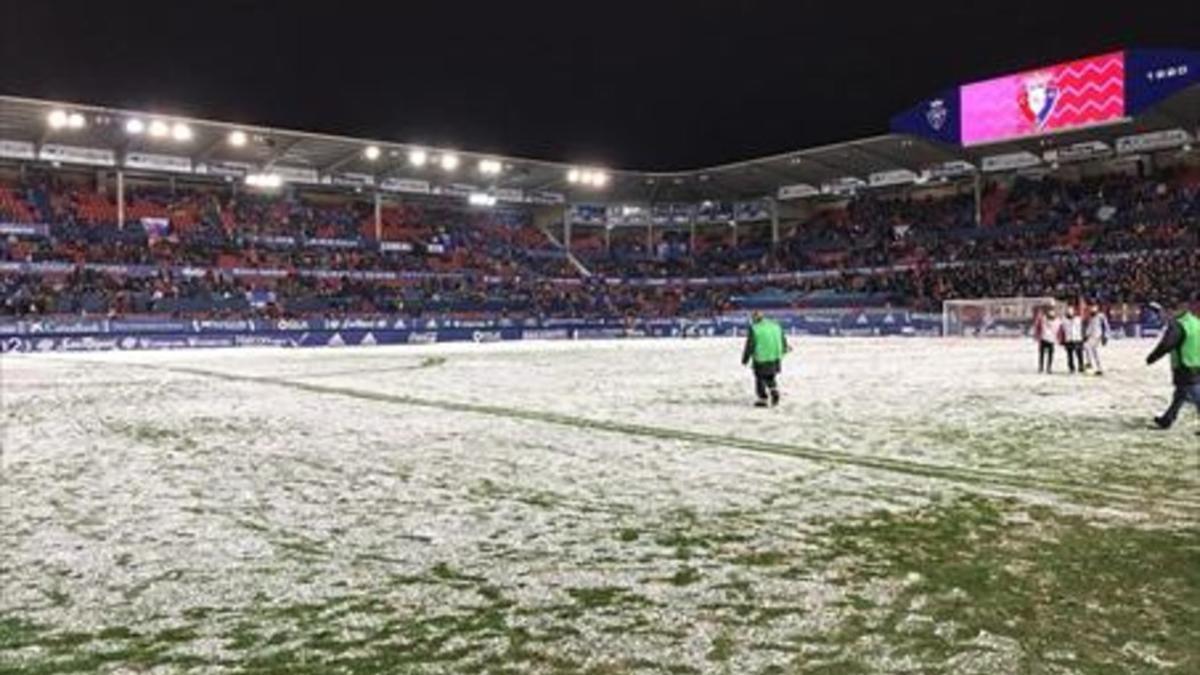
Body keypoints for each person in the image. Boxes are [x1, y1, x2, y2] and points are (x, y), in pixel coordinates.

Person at [1146, 297, 1200, 432]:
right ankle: (1167, 419)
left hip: (1185, 365)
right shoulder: (1195, 322)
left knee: (1196, 395)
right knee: (1180, 395)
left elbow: (1167, 344)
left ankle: (1167, 419)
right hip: (1196, 363)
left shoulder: (1179, 325)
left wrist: (1152, 357)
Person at [742, 310, 790, 407]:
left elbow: (750, 345)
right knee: (770, 376)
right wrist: (784, 348)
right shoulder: (775, 325)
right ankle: (774, 392)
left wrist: (745, 359)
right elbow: (782, 339)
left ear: (755, 319)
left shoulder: (755, 328)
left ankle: (762, 399)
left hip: (762, 357)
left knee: (759, 377)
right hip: (775, 356)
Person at [1083, 303, 1110, 375]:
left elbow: (1105, 326)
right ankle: (1098, 368)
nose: (1092, 308)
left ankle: (1090, 363)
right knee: (1093, 351)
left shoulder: (1101, 316)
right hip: (1091, 336)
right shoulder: (1089, 316)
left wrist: (1105, 336)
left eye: (1094, 307)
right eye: (1091, 307)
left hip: (1097, 336)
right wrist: (1086, 335)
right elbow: (1088, 327)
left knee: (1087, 347)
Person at [1035, 307, 1062, 374]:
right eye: (1050, 312)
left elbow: (1060, 330)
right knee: (1041, 354)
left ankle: (1049, 368)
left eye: (1052, 312)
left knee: (1050, 355)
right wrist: (1038, 335)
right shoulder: (1043, 319)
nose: (1051, 313)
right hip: (1043, 338)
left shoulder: (1057, 321)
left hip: (1052, 340)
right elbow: (1038, 326)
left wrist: (1059, 338)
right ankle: (1041, 367)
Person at [1063, 305, 1085, 374]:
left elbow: (1082, 328)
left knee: (1079, 354)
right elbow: (1062, 330)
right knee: (1070, 355)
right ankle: (1071, 367)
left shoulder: (1078, 319)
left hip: (1078, 339)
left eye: (1071, 311)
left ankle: (1081, 366)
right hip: (1069, 339)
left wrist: (1083, 336)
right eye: (1069, 311)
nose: (1070, 312)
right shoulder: (1064, 320)